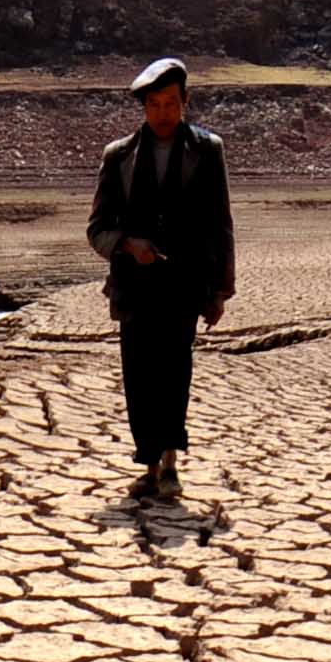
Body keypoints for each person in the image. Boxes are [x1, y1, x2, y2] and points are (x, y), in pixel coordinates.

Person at [86, 57, 234, 502]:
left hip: (185, 285)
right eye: (153, 104)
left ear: (186, 102)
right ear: (143, 108)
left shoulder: (208, 151)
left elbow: (219, 223)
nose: (162, 113)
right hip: (135, 287)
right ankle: (148, 462)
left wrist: (221, 290)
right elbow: (97, 228)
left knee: (175, 371)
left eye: (171, 103)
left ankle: (169, 461)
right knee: (139, 375)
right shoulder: (119, 157)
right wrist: (129, 244)